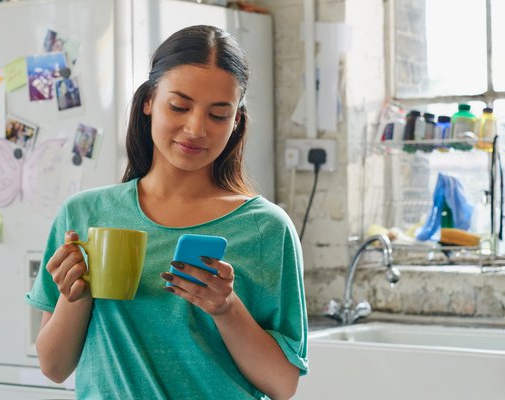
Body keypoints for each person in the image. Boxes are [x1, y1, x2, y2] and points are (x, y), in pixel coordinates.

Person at [26, 25, 308, 399]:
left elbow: (283, 385)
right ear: (149, 102)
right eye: (179, 106)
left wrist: (225, 309)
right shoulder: (85, 213)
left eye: (218, 115)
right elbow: (54, 366)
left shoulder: (265, 228)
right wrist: (74, 296)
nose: (196, 128)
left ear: (236, 121)